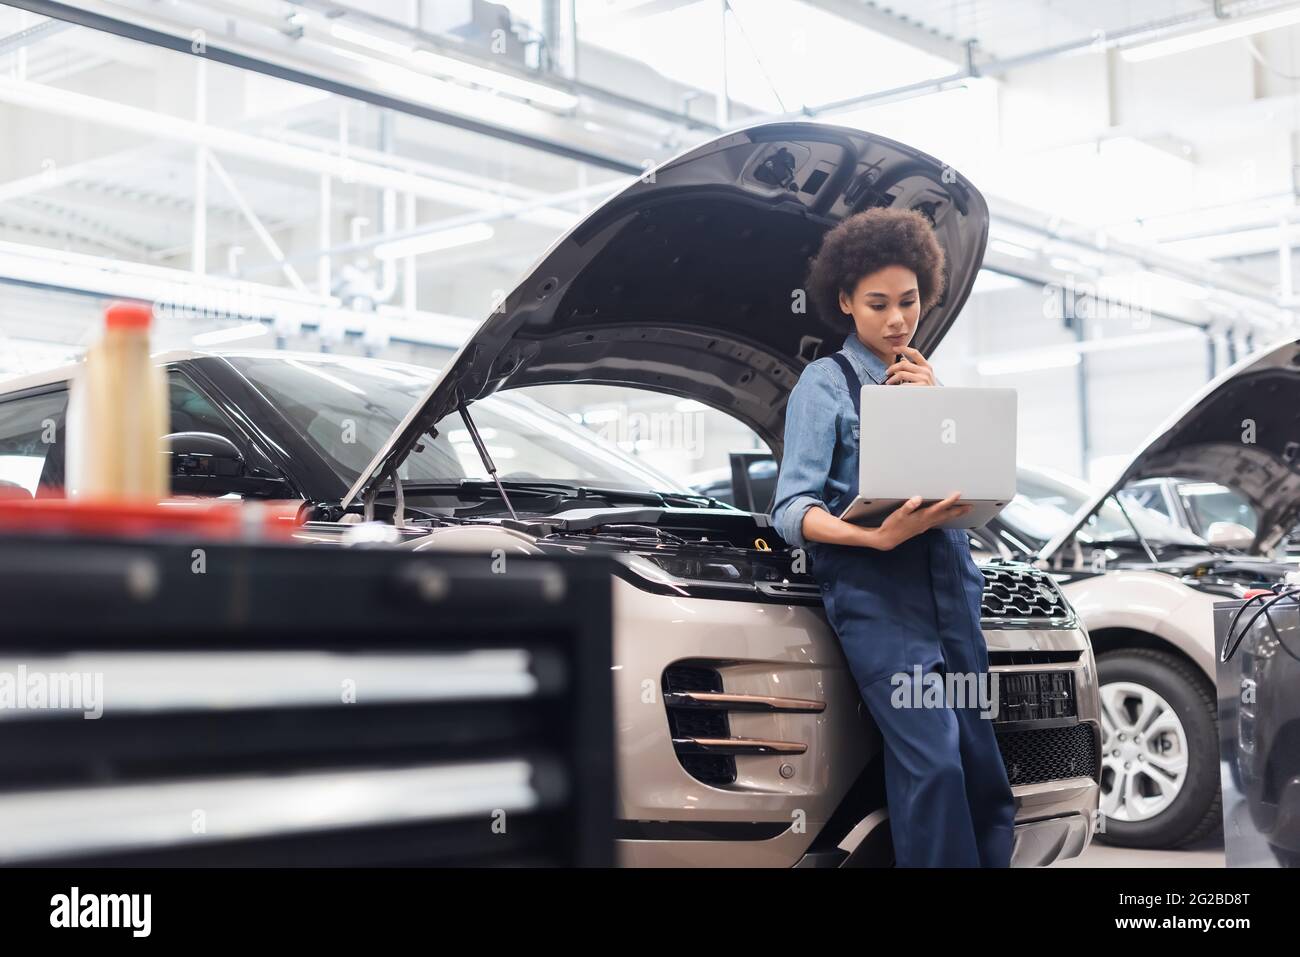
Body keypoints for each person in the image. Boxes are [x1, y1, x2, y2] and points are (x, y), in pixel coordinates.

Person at [770, 207, 1016, 867]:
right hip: (879, 600)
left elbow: (963, 480)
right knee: (933, 763)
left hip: (952, 595)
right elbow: (791, 506)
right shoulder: (825, 386)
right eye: (877, 304)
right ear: (845, 301)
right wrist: (875, 538)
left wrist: (936, 405)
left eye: (908, 301)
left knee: (980, 764)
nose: (898, 319)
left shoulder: (926, 378)